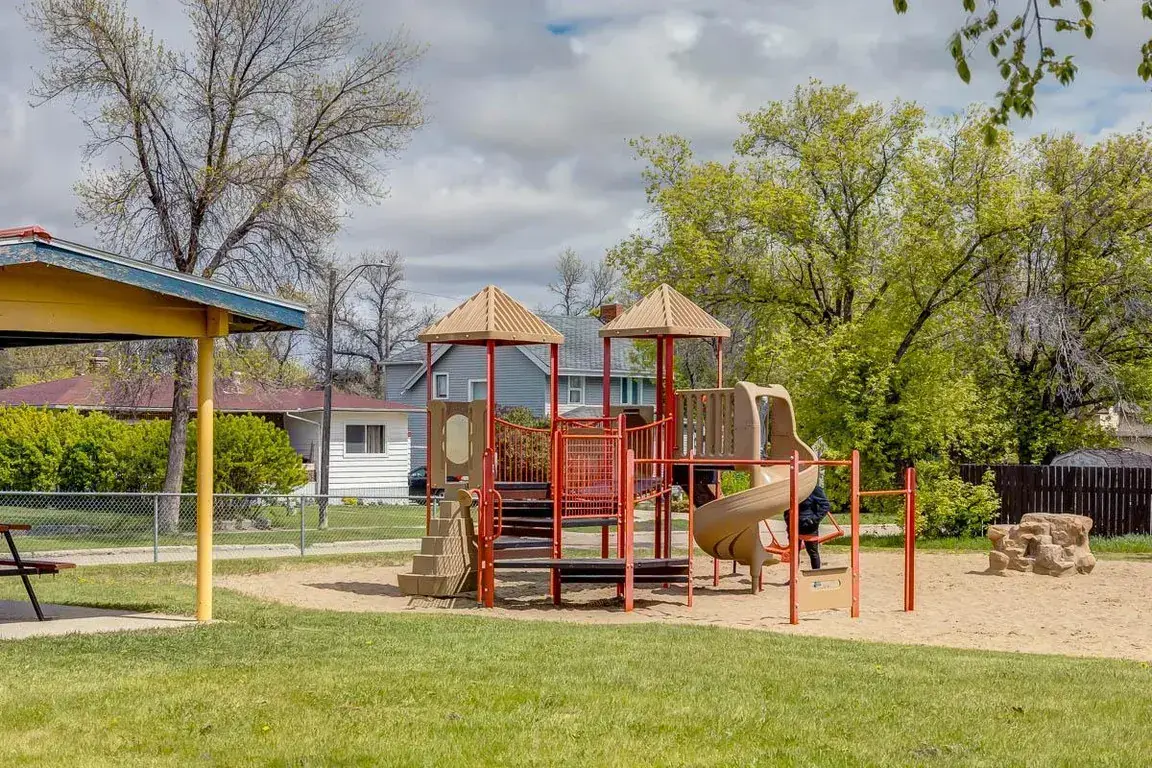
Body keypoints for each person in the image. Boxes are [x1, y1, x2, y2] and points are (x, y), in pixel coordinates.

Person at [785, 485, 830, 569]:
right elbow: (786, 505)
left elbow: (825, 505)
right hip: (794, 526)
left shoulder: (813, 488)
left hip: (809, 526)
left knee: (812, 552)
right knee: (794, 553)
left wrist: (813, 519)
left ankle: (816, 579)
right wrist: (787, 520)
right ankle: (794, 577)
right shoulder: (791, 487)